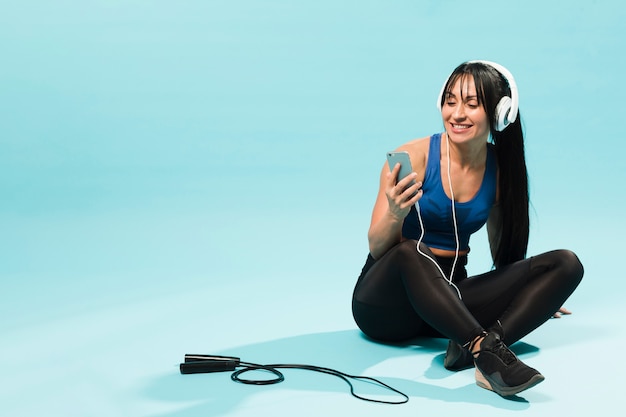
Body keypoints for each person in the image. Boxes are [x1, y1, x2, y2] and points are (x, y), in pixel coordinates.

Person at [351, 60, 584, 398]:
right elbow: (377, 247)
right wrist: (395, 214)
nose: (457, 113)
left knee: (567, 263)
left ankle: (477, 343)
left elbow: (505, 253)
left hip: (448, 305)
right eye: (450, 101)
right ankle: (484, 353)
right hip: (386, 305)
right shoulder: (412, 156)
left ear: (500, 112)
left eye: (471, 104)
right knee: (410, 250)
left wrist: (531, 291)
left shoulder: (500, 171)